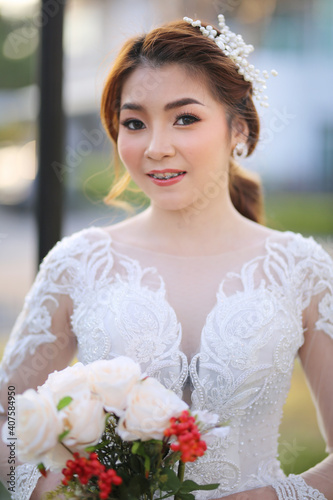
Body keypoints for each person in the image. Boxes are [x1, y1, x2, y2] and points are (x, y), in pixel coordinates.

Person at [0, 14, 332, 500]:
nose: (156, 147)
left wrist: (269, 497)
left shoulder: (301, 269)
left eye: (185, 118)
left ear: (238, 128)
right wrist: (54, 486)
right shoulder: (79, 262)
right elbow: (8, 415)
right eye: (134, 123)